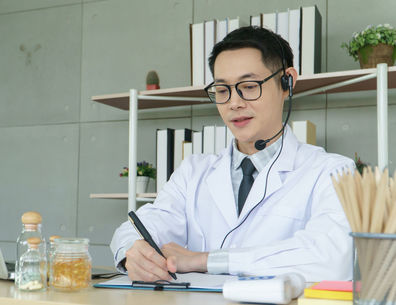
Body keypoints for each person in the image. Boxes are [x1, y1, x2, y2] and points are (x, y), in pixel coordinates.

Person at [110, 26, 354, 282]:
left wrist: (204, 260)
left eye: (249, 86)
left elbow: (332, 259)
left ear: (287, 83)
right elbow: (137, 228)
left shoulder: (332, 171)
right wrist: (133, 254)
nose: (234, 103)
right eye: (223, 90)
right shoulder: (193, 171)